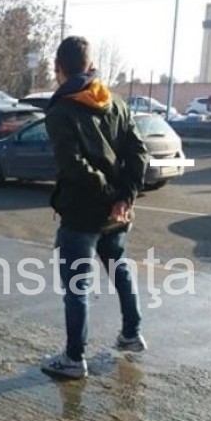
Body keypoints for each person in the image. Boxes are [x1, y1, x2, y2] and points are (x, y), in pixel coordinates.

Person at [42, 36, 148, 380]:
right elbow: (139, 153)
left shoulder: (61, 111)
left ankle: (74, 358)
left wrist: (113, 196)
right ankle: (131, 334)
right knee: (120, 269)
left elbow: (73, 165)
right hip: (114, 214)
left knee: (78, 287)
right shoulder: (115, 103)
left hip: (81, 214)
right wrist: (124, 198)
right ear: (90, 66)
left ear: (58, 68)